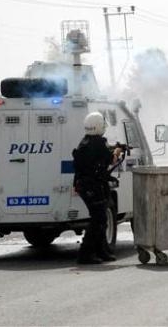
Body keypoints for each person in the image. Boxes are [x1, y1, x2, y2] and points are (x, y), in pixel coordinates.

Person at [72, 112, 122, 264]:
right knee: (98, 219)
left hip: (86, 185)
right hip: (92, 186)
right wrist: (118, 151)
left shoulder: (85, 142)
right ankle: (86, 254)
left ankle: (102, 251)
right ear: (99, 126)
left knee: (100, 219)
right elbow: (111, 159)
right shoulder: (99, 143)